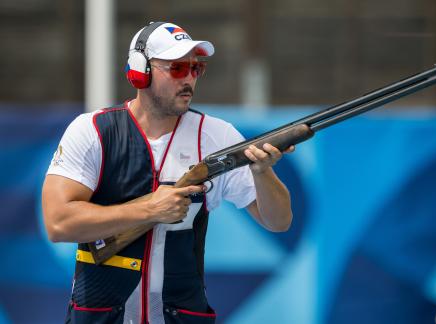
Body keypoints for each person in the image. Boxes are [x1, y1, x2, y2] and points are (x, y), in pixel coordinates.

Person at [41, 21, 294, 324]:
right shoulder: (93, 130)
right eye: (176, 68)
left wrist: (262, 172)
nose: (188, 78)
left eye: (195, 68)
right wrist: (150, 208)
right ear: (140, 71)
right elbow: (57, 223)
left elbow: (279, 221)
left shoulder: (217, 136)